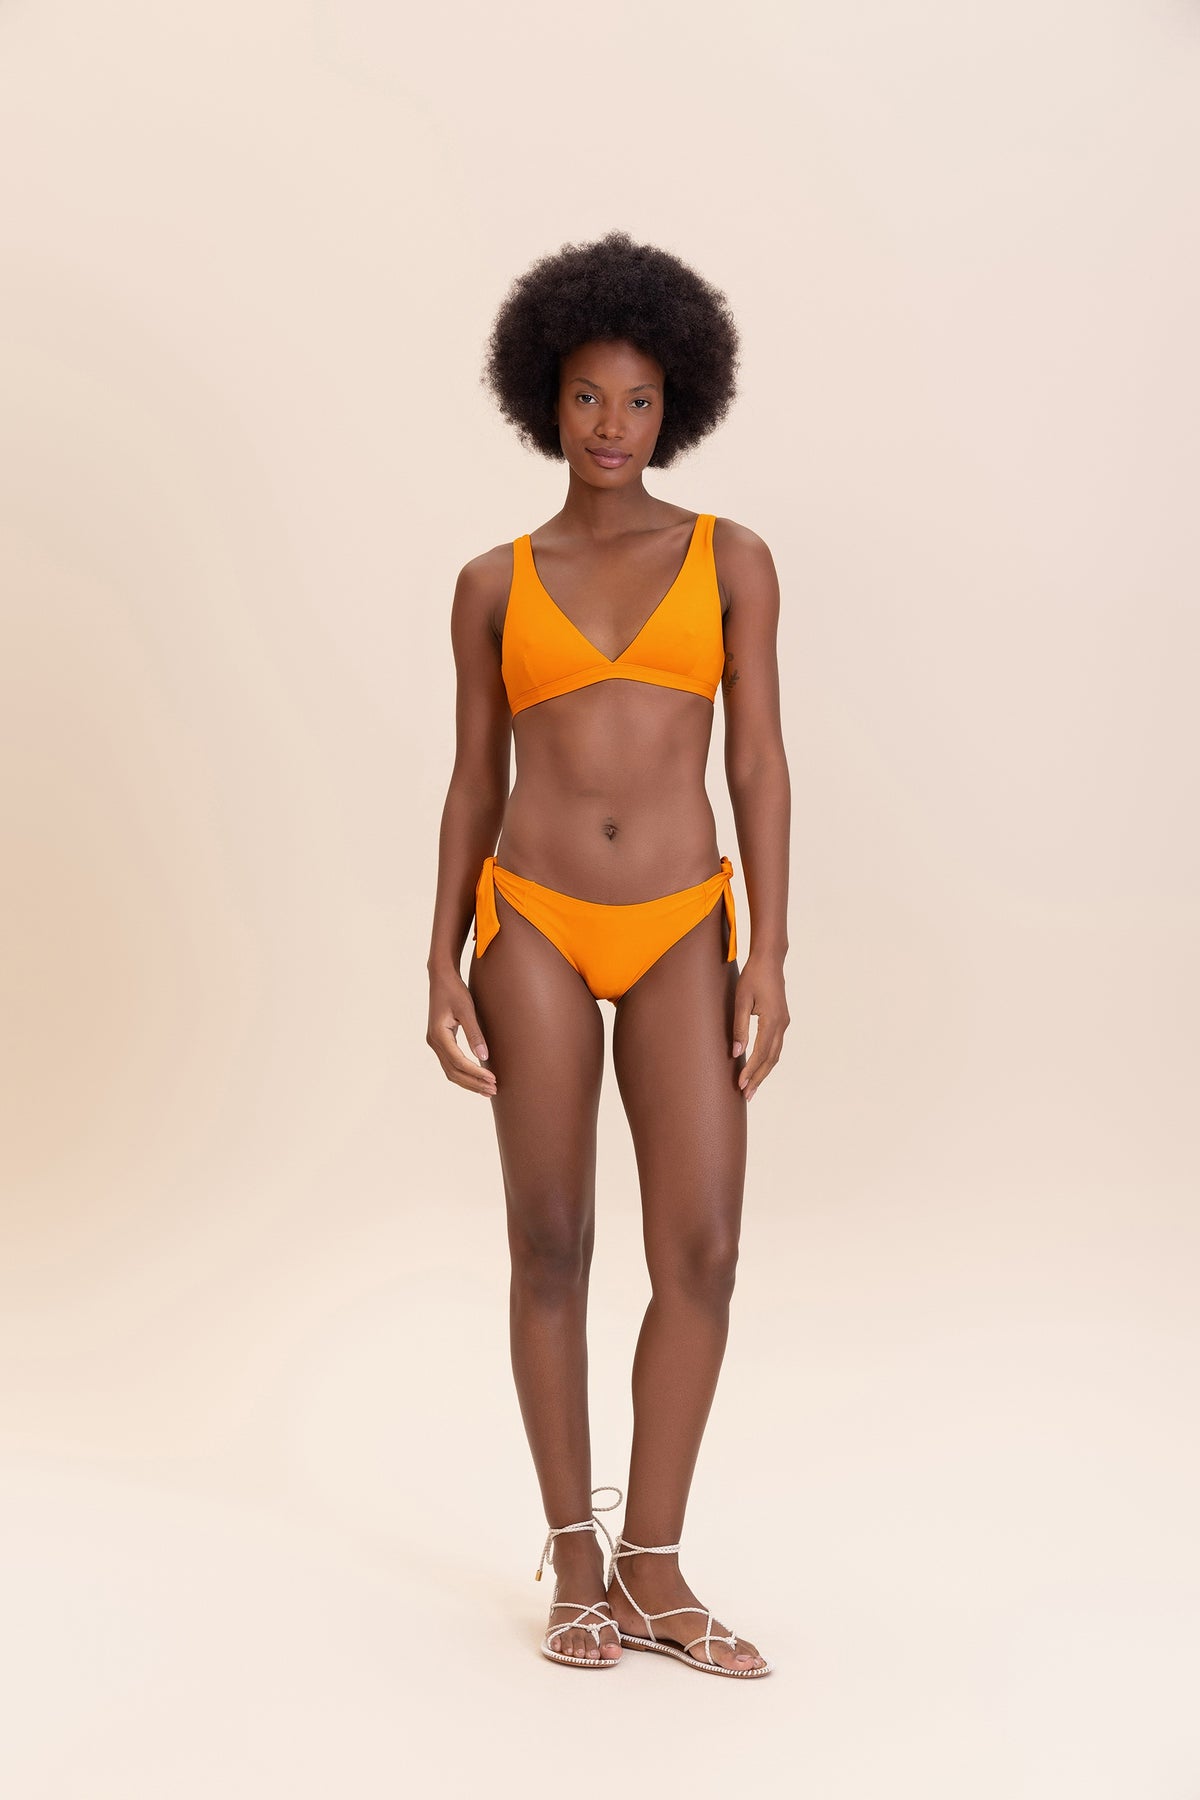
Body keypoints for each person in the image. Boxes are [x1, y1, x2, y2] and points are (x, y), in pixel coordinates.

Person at [426, 229, 790, 1677]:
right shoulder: (492, 582)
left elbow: (757, 764)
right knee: (552, 1241)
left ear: (676, 402)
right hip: (532, 919)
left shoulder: (732, 559)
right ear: (546, 398)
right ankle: (575, 1562)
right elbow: (473, 778)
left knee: (702, 1247)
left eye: (639, 399)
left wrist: (768, 954)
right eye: (586, 395)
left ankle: (655, 1566)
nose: (611, 425)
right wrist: (438, 959)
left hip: (686, 921)